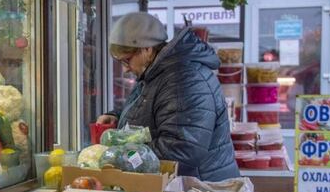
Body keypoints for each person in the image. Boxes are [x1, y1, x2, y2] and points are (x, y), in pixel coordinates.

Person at [97, 12, 239, 181]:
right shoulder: (157, 73)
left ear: (146, 49)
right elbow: (153, 107)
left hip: (197, 189)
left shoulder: (183, 79)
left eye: (126, 61)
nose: (126, 69)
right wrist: (117, 117)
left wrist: (123, 155)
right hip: (178, 184)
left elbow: (182, 148)